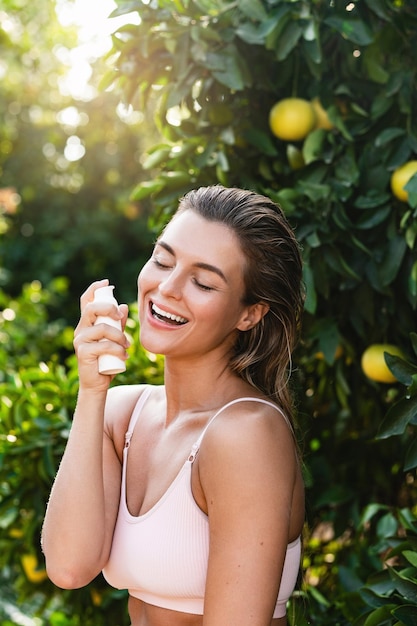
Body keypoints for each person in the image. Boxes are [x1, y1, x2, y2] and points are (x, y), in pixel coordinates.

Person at [42, 185, 305, 626]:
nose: (167, 288)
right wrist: (92, 391)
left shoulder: (246, 433)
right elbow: (69, 567)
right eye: (163, 261)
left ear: (249, 314)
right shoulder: (122, 413)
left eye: (203, 282)